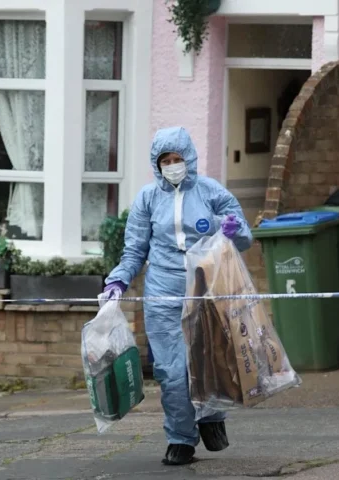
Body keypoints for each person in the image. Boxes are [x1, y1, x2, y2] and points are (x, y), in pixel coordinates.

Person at [102, 126, 253, 466]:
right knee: (171, 371)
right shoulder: (147, 199)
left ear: (189, 158)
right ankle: (180, 439)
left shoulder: (211, 191)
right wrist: (118, 282)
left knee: (208, 361)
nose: (172, 165)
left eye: (177, 159)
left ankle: (211, 419)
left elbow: (243, 236)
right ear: (156, 165)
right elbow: (134, 250)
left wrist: (233, 229)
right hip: (163, 293)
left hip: (207, 287)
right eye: (165, 160)